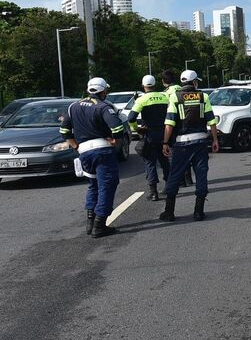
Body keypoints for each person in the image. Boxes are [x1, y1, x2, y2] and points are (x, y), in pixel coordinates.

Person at [59, 77, 125, 238]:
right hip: (102, 151)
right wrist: (115, 141)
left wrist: (75, 146)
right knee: (107, 186)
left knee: (93, 185)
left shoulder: (73, 106)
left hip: (84, 152)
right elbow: (117, 127)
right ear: (103, 91)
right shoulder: (103, 107)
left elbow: (64, 131)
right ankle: (99, 224)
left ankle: (90, 221)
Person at [160, 70, 219, 222]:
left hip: (181, 143)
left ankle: (169, 212)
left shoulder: (175, 97)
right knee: (201, 175)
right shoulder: (203, 96)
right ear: (194, 82)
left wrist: (165, 143)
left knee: (175, 175)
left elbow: (169, 123)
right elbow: (212, 121)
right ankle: (198, 212)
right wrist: (215, 140)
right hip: (200, 142)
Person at [127, 75, 170, 201]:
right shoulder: (164, 96)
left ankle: (154, 192)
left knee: (150, 162)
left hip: (149, 134)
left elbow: (131, 118)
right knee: (164, 161)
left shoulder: (141, 99)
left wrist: (136, 129)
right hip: (164, 133)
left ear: (143, 86)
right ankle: (169, 187)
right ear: (155, 84)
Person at [162, 68, 193, 187]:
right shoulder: (181, 89)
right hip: (185, 123)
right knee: (187, 153)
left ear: (163, 81)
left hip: (173, 125)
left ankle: (180, 180)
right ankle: (188, 178)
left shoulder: (166, 93)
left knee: (177, 155)